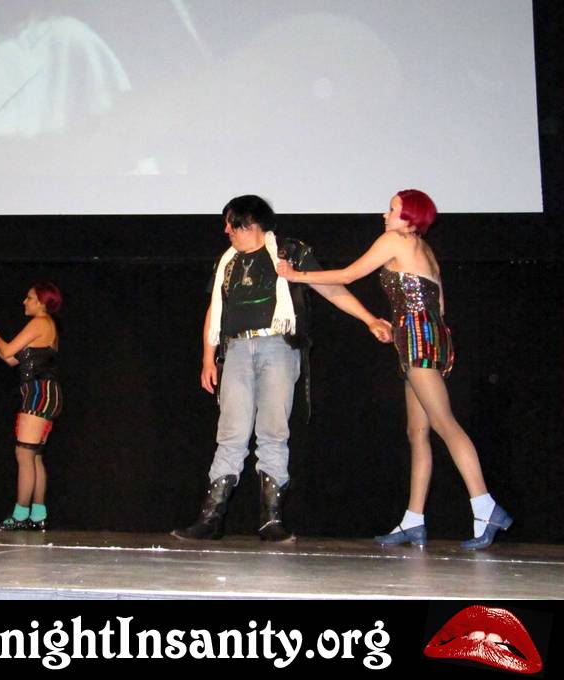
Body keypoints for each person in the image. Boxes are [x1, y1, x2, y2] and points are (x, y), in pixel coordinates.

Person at [277, 189, 511, 550]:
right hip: (426, 336)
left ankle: (485, 506)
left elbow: (350, 274)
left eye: (392, 209)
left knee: (443, 423)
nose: (385, 215)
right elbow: (439, 306)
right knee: (417, 431)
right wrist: (401, 328)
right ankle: (413, 520)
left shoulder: (396, 240)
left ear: (409, 216)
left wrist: (296, 275)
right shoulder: (424, 250)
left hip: (417, 338)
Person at [172, 195, 392, 542]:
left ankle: (270, 521)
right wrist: (207, 358)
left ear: (250, 223)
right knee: (230, 433)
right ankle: (210, 519)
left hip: (278, 346)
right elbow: (215, 310)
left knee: (273, 432)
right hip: (236, 349)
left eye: (231, 223)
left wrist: (369, 319)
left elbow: (329, 287)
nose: (226, 230)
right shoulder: (226, 262)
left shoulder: (289, 252)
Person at [0, 282, 62, 531]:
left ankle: (20, 515)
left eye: (29, 298)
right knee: (34, 456)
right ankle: (37, 515)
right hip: (43, 393)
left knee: (24, 455)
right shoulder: (45, 325)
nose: (24, 302)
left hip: (39, 393)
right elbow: (10, 359)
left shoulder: (40, 322)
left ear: (41, 302)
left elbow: (7, 349)